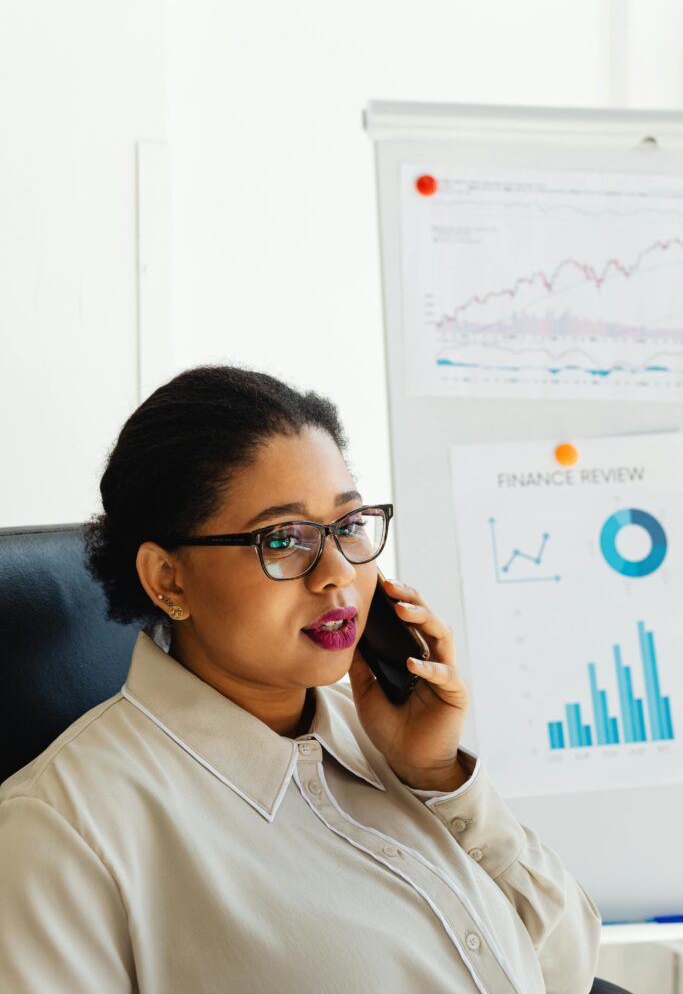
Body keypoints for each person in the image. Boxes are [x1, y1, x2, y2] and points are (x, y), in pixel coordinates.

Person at [0, 364, 601, 993]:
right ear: (168, 580)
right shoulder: (64, 830)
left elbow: (568, 967)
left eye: (347, 526)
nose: (337, 572)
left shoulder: (387, 740)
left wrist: (439, 779)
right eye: (284, 538)